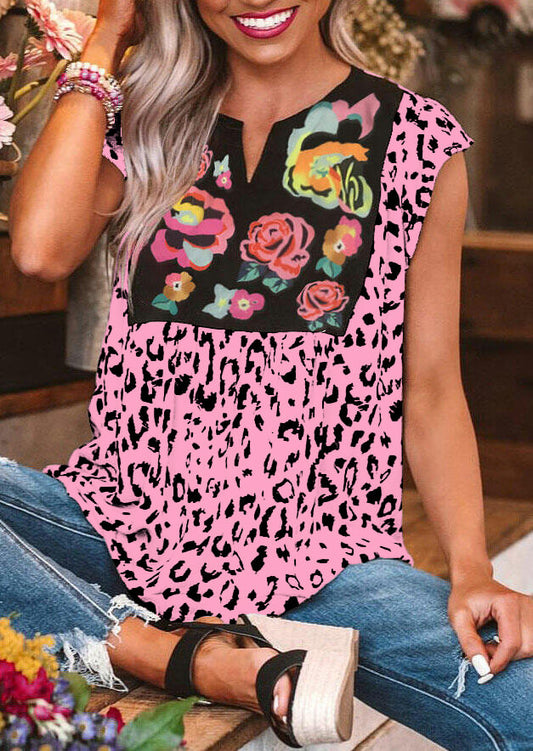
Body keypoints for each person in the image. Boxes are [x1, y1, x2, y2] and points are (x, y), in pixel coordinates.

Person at [4, 0, 532, 748]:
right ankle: (175, 655)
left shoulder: (416, 141)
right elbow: (39, 250)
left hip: (328, 564)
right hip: (117, 529)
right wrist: (110, 33)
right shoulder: (145, 119)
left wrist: (472, 566)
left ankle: (152, 642)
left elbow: (434, 389)